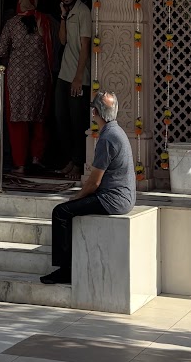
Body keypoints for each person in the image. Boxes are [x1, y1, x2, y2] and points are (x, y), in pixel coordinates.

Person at [41, 91, 135, 285]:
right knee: (70, 210)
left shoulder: (108, 138)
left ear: (95, 112)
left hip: (113, 199)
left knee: (61, 212)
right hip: (121, 197)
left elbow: (94, 182)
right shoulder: (116, 131)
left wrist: (76, 198)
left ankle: (65, 270)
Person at [0, 0, 56, 175]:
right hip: (40, 78)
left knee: (18, 120)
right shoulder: (44, 21)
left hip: (17, 79)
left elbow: (1, 50)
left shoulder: (13, 23)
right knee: (38, 118)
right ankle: (36, 159)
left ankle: (20, 164)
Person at [54, 0, 92, 180]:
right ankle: (70, 160)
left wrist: (79, 77)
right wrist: (62, 16)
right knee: (62, 118)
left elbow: (85, 46)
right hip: (64, 74)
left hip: (78, 76)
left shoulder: (83, 12)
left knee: (78, 121)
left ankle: (79, 163)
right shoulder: (68, 13)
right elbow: (62, 40)